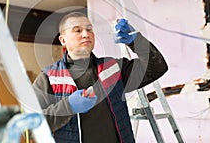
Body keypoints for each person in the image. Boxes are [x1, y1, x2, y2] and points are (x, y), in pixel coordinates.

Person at [32, 12, 168, 143]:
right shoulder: (48, 78)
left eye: (89, 29)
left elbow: (157, 67)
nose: (86, 34)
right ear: (63, 40)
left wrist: (137, 42)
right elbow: (30, 126)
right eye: (77, 30)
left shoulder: (112, 68)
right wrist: (68, 107)